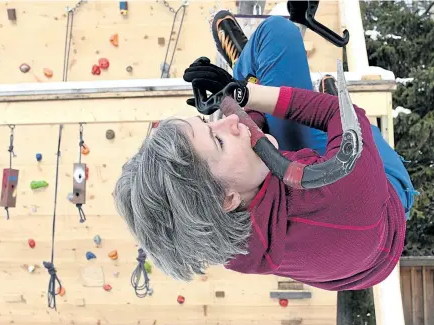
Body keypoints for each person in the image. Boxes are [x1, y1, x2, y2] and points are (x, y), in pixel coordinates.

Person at [114, 11, 417, 291]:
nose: (228, 120)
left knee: (275, 37)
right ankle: (264, 80)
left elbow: (244, 134)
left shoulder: (217, 223)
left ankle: (253, 76)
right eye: (217, 141)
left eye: (209, 123)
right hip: (381, 205)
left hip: (291, 180)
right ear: (226, 199)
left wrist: (238, 96)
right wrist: (251, 94)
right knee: (372, 140)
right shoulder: (343, 196)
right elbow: (345, 115)